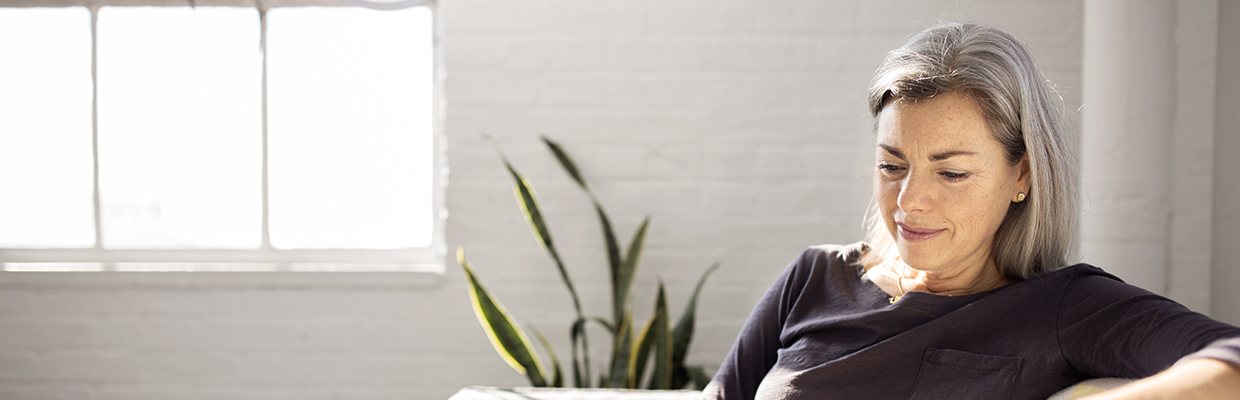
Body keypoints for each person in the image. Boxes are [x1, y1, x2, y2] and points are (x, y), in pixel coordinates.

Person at [702, 22, 1240, 400]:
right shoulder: (815, 277)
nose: (909, 200)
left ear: (1022, 175)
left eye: (952, 173)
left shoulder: (1062, 306)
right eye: (892, 165)